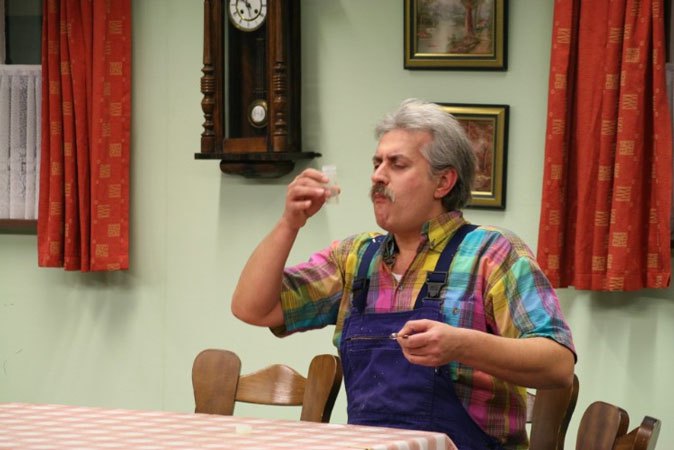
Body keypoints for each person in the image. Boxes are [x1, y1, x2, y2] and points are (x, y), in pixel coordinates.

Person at [231, 98, 576, 450]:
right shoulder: (355, 258)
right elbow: (253, 308)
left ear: (443, 182)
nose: (378, 176)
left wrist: (461, 345)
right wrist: (290, 223)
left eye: (397, 164)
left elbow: (558, 364)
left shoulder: (491, 253)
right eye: (377, 163)